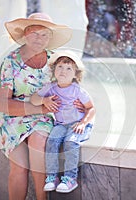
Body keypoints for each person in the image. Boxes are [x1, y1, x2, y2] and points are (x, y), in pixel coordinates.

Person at [0, 13, 73, 200]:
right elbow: (2, 104)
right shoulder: (10, 62)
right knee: (19, 167)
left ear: (50, 38)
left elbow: (68, 91)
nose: (40, 38)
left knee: (38, 144)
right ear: (25, 34)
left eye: (44, 34)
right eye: (35, 33)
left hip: (44, 117)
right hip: (12, 117)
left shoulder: (56, 62)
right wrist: (40, 108)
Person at [30, 50, 96, 193]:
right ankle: (52, 177)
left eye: (68, 68)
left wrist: (83, 123)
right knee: (52, 142)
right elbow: (33, 99)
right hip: (60, 124)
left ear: (75, 74)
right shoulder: (51, 88)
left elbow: (91, 109)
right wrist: (44, 100)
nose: (63, 71)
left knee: (70, 142)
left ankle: (70, 178)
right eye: (59, 67)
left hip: (78, 123)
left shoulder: (77, 90)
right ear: (54, 70)